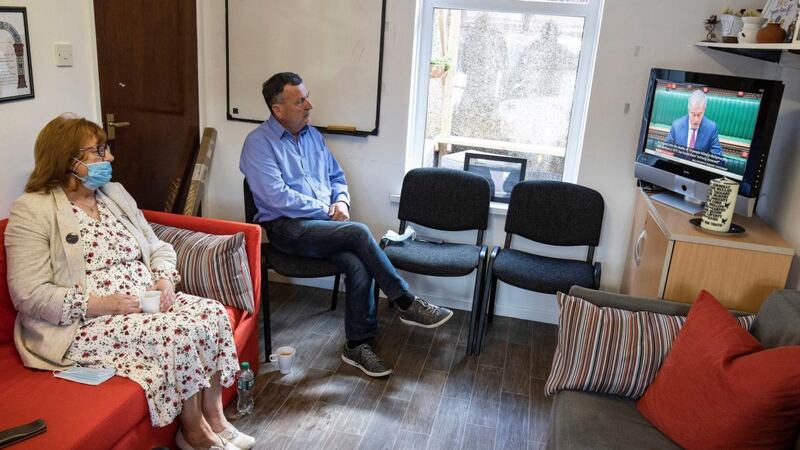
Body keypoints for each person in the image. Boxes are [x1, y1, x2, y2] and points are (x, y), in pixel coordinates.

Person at [4, 114, 254, 450]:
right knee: (178, 334)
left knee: (211, 314)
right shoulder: (32, 211)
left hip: (143, 302)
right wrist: (103, 304)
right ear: (69, 161)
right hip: (85, 322)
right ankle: (193, 432)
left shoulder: (113, 194)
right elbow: (28, 294)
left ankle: (215, 416)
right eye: (99, 151)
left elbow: (156, 246)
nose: (110, 159)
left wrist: (165, 279)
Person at [239, 72, 453, 378]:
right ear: (278, 110)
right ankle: (405, 300)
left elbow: (337, 177)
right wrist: (326, 210)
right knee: (358, 232)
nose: (309, 105)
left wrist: (341, 202)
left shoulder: (313, 137)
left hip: (321, 228)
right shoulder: (258, 143)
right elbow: (276, 197)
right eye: (300, 101)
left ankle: (356, 345)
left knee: (357, 263)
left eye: (307, 97)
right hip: (287, 229)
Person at [665, 89, 723, 156]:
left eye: (699, 114)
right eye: (693, 114)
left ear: (704, 109)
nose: (696, 119)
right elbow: (666, 151)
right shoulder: (676, 125)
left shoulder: (711, 128)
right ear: (688, 109)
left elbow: (718, 160)